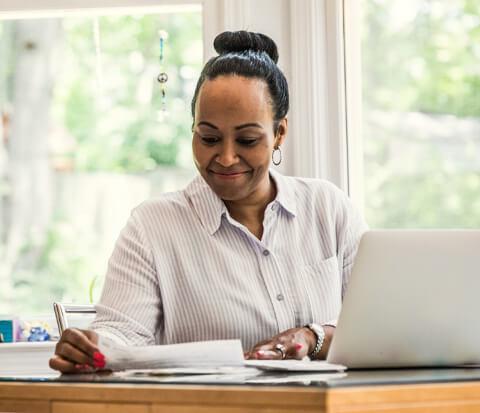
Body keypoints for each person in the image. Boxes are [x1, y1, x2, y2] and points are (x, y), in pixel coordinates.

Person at [50, 31, 366, 374]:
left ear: (279, 133)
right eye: (209, 138)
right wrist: (94, 348)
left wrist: (312, 337)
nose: (226, 158)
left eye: (246, 139)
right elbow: (123, 334)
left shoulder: (328, 208)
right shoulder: (152, 226)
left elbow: (375, 324)